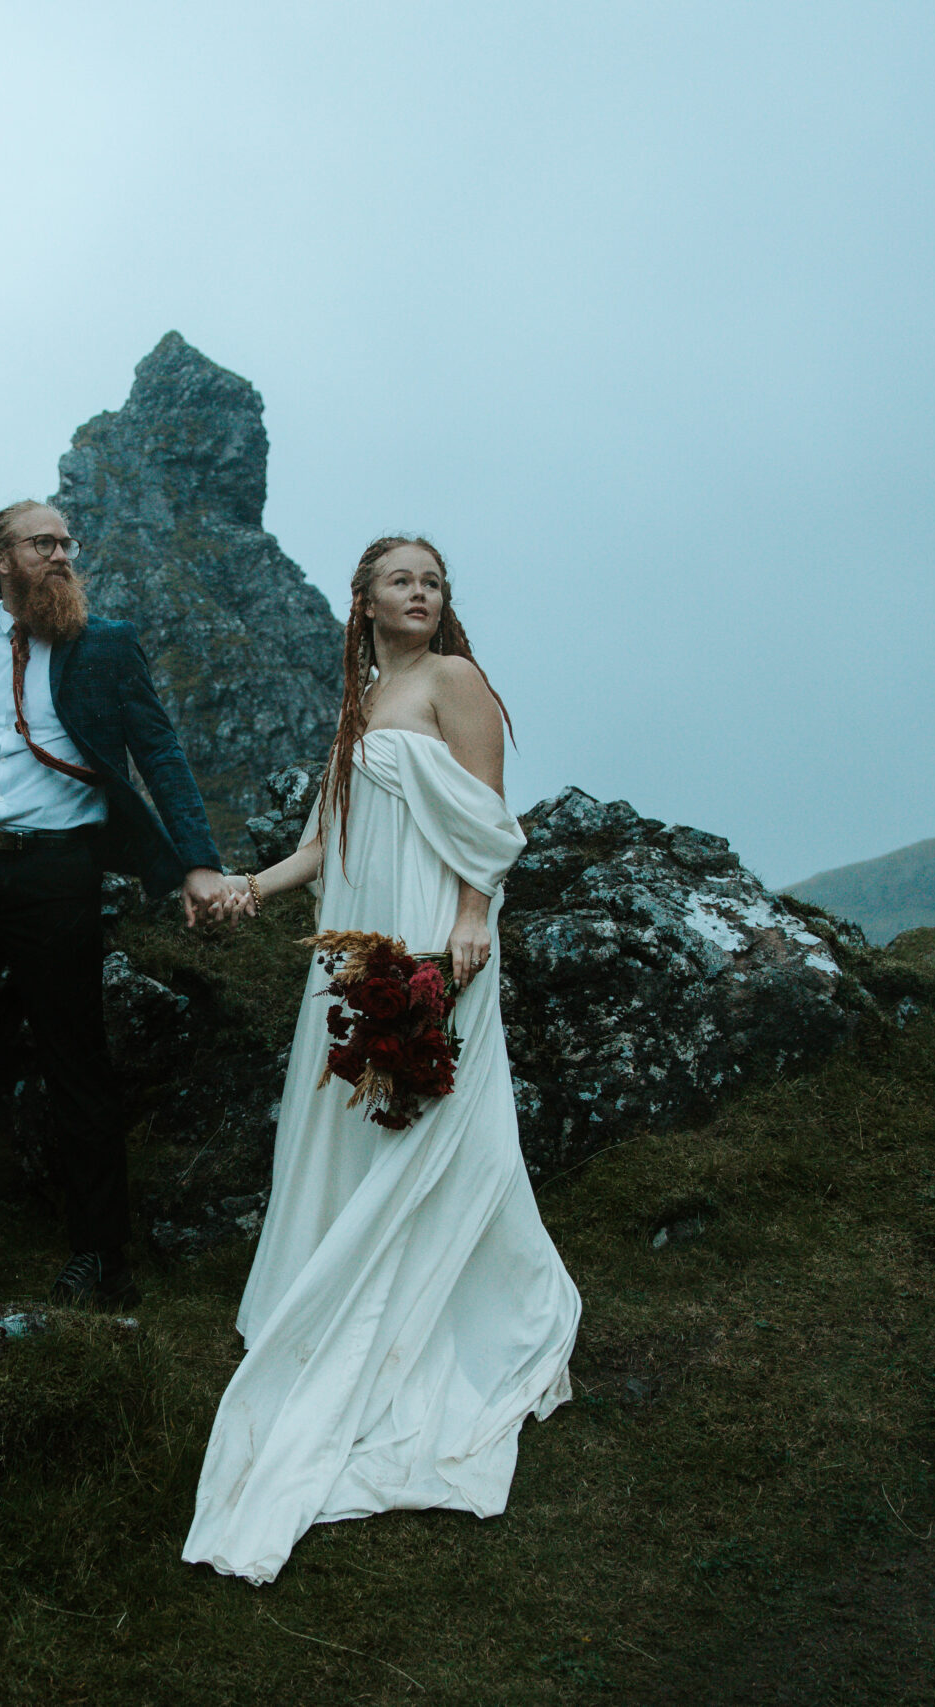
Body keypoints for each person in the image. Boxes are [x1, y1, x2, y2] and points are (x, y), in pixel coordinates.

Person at [181, 536, 581, 1585]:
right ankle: (340, 1276)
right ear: (361, 602)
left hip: (427, 931)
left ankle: (440, 1306)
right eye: (400, 579)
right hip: (353, 928)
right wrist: (247, 889)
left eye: (434, 580)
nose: (420, 592)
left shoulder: (455, 681)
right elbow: (327, 839)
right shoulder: (360, 699)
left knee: (432, 1115)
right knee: (353, 1108)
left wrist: (469, 920)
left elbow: (491, 821)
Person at [0, 500, 231, 1308]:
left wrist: (197, 861)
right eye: (42, 543)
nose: (61, 554)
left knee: (75, 1062)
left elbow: (158, 750)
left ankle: (102, 1258)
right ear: (0, 560)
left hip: (60, 875)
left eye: (66, 543)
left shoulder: (106, 646)